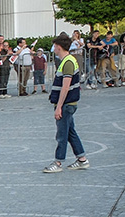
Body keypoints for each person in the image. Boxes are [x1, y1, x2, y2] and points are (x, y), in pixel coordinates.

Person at [44, 33, 88, 174]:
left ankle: (58, 162)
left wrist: (59, 106)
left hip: (67, 103)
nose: (54, 49)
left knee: (62, 134)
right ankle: (82, 159)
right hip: (69, 103)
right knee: (70, 132)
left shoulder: (68, 62)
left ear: (58, 47)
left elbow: (65, 86)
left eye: (55, 46)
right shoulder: (67, 60)